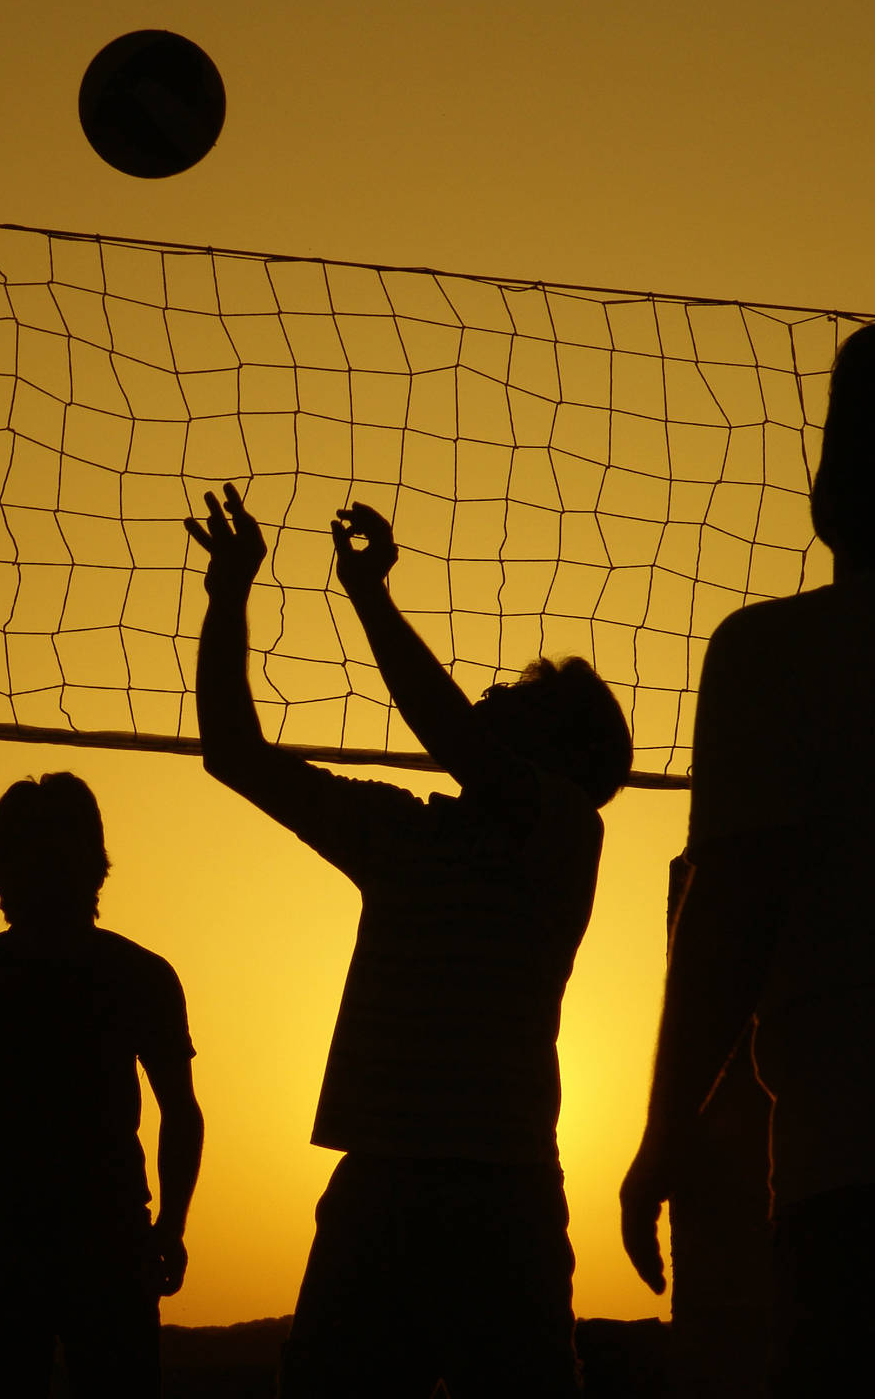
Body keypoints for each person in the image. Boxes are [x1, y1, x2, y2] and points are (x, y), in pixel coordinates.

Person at [620, 319, 875, 1396]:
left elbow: (730, 917)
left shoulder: (774, 653)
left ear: (840, 473)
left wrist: (665, 1134)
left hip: (868, 1170)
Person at [186, 486, 631, 1397]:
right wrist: (229, 592)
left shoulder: (566, 832)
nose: (495, 689)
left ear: (564, 753)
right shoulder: (403, 832)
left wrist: (368, 595)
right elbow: (231, 750)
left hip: (497, 1188)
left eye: (522, 695)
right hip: (382, 1181)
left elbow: (454, 731)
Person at [0, 772, 203, 1398]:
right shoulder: (137, 975)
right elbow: (182, 1114)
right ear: (99, 866)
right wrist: (169, 1226)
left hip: (46, 1248)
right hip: (83, 1247)